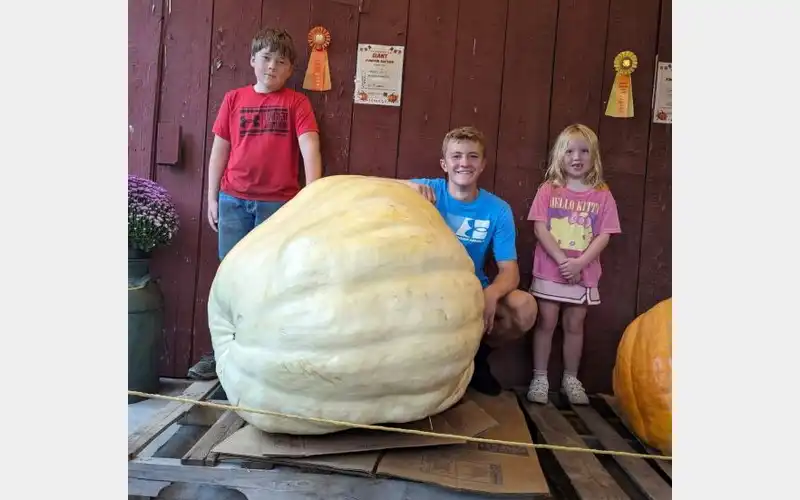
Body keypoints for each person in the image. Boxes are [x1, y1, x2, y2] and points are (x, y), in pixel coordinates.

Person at [188, 27, 323, 380]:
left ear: (290, 70)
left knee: (274, 281)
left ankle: (263, 359)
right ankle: (220, 354)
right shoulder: (234, 99)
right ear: (252, 60)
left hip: (279, 206)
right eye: (265, 58)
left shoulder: (297, 103)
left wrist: (313, 198)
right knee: (230, 278)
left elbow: (310, 147)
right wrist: (211, 197)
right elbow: (220, 149)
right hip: (233, 200)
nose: (272, 67)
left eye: (281, 62)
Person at [402, 126, 538, 396]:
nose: (464, 163)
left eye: (473, 156)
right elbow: (373, 184)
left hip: (472, 290)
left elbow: (509, 271)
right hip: (427, 291)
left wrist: (492, 293)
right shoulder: (428, 190)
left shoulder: (498, 209)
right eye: (456, 156)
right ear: (444, 163)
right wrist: (406, 185)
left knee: (524, 308)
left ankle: (475, 358)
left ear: (483, 164)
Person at [525, 124, 621, 405]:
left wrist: (579, 263)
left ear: (594, 157)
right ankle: (540, 377)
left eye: (583, 151)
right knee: (546, 321)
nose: (576, 157)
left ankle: (570, 378)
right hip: (550, 270)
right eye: (569, 151)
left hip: (582, 272)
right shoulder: (549, 189)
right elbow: (540, 228)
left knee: (575, 323)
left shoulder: (602, 193)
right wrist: (562, 260)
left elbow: (605, 234)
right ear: (559, 155)